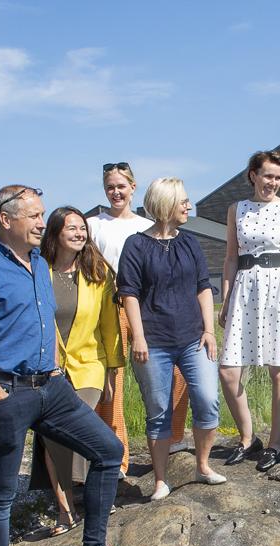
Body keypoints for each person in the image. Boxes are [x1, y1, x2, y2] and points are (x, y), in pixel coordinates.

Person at [0, 184, 149, 546]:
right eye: (33, 216)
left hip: (51, 388)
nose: (42, 222)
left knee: (108, 450)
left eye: (42, 215)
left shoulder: (38, 264)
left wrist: (55, 368)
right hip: (5, 392)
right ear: (6, 220)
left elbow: (44, 324)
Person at [117, 178, 225, 499]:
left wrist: (209, 331)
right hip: (154, 342)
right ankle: (161, 481)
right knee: (158, 411)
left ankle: (202, 466)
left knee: (207, 400)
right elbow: (129, 294)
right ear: (166, 205)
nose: (188, 207)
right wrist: (138, 336)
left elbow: (203, 287)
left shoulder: (190, 242)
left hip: (194, 337)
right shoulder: (135, 245)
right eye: (184, 202)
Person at [87, 163, 192, 475]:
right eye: (110, 187)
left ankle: (173, 437)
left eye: (121, 186)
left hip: (149, 305)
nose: (116, 192)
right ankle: (116, 453)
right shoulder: (93, 224)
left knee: (175, 370)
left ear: (133, 187)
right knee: (113, 376)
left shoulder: (149, 225)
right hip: (111, 303)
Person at [28, 207, 125, 534]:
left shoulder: (99, 272)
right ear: (55, 233)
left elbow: (110, 327)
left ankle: (95, 494)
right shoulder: (37, 270)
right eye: (71, 228)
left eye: (82, 228)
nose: (79, 233)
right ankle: (65, 510)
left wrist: (113, 370)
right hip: (46, 370)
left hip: (89, 367)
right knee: (52, 441)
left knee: (78, 429)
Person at [219, 151, 280, 471]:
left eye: (277, 177)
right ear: (253, 175)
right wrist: (227, 299)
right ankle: (248, 438)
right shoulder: (236, 209)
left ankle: (275, 443)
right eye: (267, 175)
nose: (272, 182)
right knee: (229, 370)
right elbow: (230, 257)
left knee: (278, 368)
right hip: (245, 286)